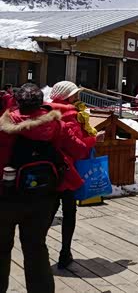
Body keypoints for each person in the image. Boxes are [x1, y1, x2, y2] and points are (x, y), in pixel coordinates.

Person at [0, 83, 74, 292]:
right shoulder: (55, 125)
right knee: (36, 248)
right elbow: (75, 149)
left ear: (17, 102)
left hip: (5, 195)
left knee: (1, 249)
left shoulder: (4, 125)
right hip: (42, 197)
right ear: (41, 102)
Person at [48, 81, 105, 269]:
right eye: (74, 94)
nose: (77, 97)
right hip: (67, 171)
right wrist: (94, 139)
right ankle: (65, 252)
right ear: (68, 96)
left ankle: (37, 248)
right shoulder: (70, 116)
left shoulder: (46, 112)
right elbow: (77, 148)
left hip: (47, 169)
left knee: (47, 211)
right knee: (68, 212)